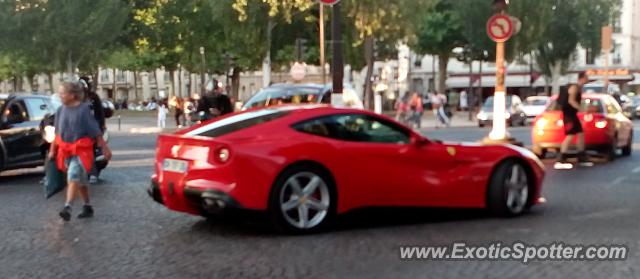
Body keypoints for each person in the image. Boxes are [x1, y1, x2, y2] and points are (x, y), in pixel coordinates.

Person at [48, 81, 112, 221]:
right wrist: (52, 150)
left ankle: (68, 207)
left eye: (62, 93)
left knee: (73, 175)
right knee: (80, 180)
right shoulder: (60, 110)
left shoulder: (84, 110)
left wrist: (104, 148)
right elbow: (57, 133)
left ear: (72, 95)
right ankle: (87, 206)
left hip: (82, 151)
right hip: (66, 150)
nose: (60, 96)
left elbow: (95, 131)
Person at [557, 72, 590, 165]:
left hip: (572, 114)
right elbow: (571, 101)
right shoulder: (574, 87)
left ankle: (581, 153)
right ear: (582, 78)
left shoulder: (579, 88)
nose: (588, 79)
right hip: (568, 115)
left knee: (580, 133)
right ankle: (562, 155)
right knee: (570, 134)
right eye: (587, 77)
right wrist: (581, 109)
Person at [79, 76, 106, 184]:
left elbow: (100, 112)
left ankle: (93, 173)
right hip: (79, 127)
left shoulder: (93, 97)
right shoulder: (75, 97)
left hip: (93, 128)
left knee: (94, 150)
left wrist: (101, 125)